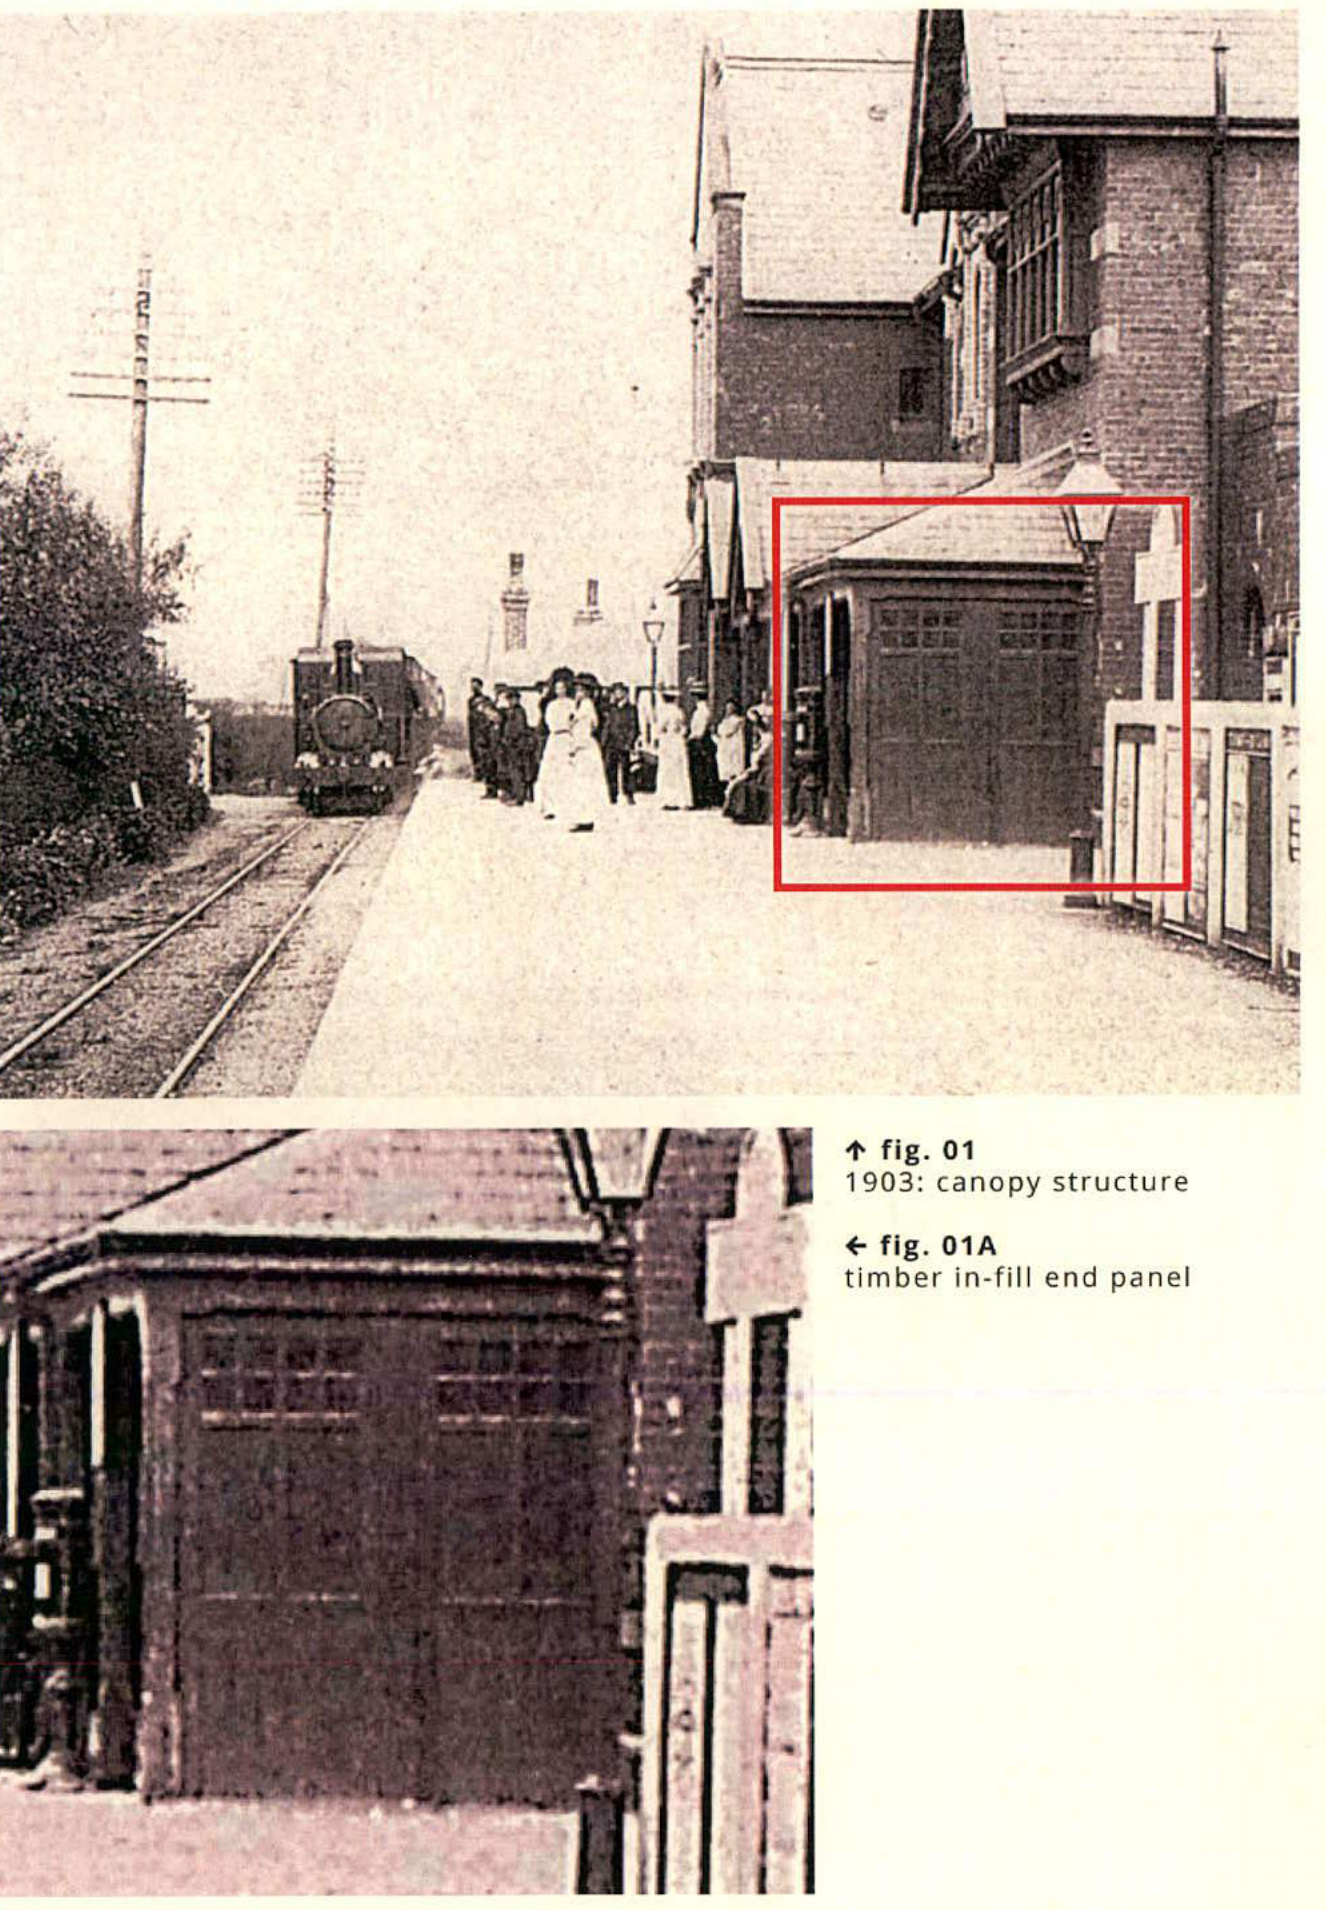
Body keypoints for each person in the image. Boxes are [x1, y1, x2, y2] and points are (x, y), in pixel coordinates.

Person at [564, 675, 609, 831]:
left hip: (584, 747)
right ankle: (583, 817)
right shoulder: (579, 706)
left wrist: (575, 747)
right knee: (580, 784)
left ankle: (585, 818)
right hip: (582, 746)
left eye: (581, 690)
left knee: (584, 784)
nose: (578, 693)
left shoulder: (586, 706)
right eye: (577, 690)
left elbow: (585, 729)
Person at [534, 670, 577, 819]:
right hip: (555, 739)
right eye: (558, 688)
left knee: (566, 771)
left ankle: (566, 805)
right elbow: (548, 721)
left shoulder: (572, 704)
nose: (560, 691)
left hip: (567, 738)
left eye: (563, 688)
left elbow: (574, 721)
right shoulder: (551, 705)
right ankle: (548, 807)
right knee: (548, 772)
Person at [724, 704, 773, 825]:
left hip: (764, 770)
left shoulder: (768, 739)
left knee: (740, 783)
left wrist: (748, 771)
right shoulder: (762, 738)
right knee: (737, 782)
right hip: (759, 768)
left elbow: (757, 760)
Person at [601, 682, 639, 805]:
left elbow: (634, 727)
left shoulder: (631, 709)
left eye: (618, 691)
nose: (616, 694)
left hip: (623, 743)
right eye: (615, 692)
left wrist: (630, 741)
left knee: (626, 770)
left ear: (625, 693)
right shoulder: (612, 708)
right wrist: (604, 741)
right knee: (610, 769)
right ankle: (613, 794)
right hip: (611, 743)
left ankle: (628, 793)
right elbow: (608, 725)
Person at [655, 691, 692, 811]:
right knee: (680, 771)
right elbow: (683, 727)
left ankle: (670, 800)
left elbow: (660, 727)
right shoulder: (679, 711)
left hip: (668, 741)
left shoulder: (664, 711)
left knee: (667, 771)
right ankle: (683, 800)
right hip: (678, 741)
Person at [686, 683, 721, 809]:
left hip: (699, 743)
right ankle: (704, 800)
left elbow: (698, 732)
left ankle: (702, 800)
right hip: (703, 742)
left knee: (700, 772)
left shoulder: (701, 712)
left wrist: (689, 738)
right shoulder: (704, 710)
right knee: (704, 771)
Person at [496, 685, 532, 804]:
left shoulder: (519, 712)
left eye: (513, 698)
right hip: (510, 745)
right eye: (509, 699)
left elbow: (519, 729)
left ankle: (519, 797)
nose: (511, 701)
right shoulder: (509, 712)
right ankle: (513, 794)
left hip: (516, 745)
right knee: (511, 771)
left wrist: (510, 739)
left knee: (517, 771)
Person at [714, 697, 746, 799]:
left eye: (731, 707)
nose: (729, 709)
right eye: (727, 707)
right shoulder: (725, 720)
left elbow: (727, 732)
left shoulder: (737, 720)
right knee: (726, 771)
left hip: (733, 747)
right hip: (725, 747)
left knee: (734, 769)